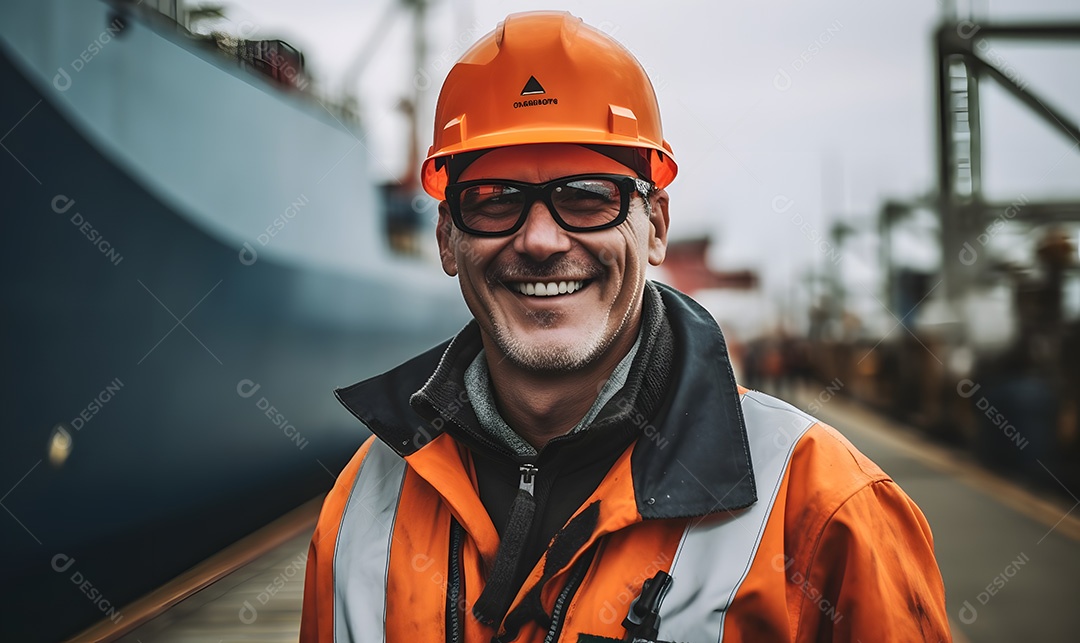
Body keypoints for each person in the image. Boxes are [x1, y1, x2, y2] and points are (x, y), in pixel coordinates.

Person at [300, 10, 949, 642]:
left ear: (656, 226)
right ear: (448, 238)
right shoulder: (361, 506)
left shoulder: (824, 506)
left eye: (587, 195)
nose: (541, 240)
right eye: (495, 200)